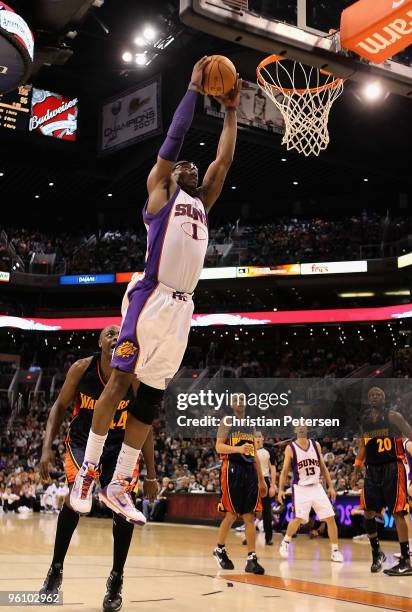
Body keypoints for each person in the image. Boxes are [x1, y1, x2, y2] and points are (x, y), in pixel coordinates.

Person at [70, 57, 241, 524]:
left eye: (191, 165)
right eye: (182, 164)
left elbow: (223, 159)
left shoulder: (202, 201)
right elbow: (172, 143)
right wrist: (191, 89)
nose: (188, 165)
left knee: (149, 396)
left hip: (183, 308)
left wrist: (230, 108)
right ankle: (88, 471)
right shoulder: (159, 195)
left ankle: (119, 485)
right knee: (122, 379)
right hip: (150, 297)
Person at [39, 325, 158, 612]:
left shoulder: (133, 378)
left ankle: (116, 579)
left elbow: (144, 425)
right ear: (99, 342)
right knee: (75, 498)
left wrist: (152, 474)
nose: (116, 337)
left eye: (120, 334)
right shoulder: (82, 368)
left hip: (120, 447)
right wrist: (45, 448)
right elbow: (59, 406)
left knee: (123, 511)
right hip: (84, 442)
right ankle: (55, 569)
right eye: (109, 333)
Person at [351, 386, 412, 576]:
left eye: (379, 394)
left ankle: (405, 561)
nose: (375, 397)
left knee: (398, 512)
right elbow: (363, 445)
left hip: (392, 467)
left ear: (385, 398)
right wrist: (356, 469)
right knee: (368, 511)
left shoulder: (394, 416)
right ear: (368, 399)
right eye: (371, 394)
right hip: (372, 470)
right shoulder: (365, 421)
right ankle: (376, 552)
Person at [213, 396, 267, 574]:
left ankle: (251, 558)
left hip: (249, 471)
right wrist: (237, 449)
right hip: (232, 469)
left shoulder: (250, 425)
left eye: (242, 399)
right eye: (236, 400)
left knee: (249, 516)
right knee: (231, 514)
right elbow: (219, 447)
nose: (240, 402)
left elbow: (254, 454)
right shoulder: (227, 421)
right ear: (231, 404)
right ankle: (219, 549)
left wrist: (261, 479)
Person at [278, 426, 344, 563]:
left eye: (304, 425)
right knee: (298, 518)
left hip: (316, 486)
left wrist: (331, 486)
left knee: (330, 518)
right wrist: (280, 489)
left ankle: (335, 551)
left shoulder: (316, 445)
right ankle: (285, 542)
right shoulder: (291, 448)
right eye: (299, 426)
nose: (301, 428)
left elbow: (323, 467)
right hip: (301, 487)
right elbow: (284, 471)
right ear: (295, 430)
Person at [393, 437, 412, 561]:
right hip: (407, 483)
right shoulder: (398, 445)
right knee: (405, 514)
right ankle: (411, 548)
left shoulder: (409, 443)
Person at [254, 431, 276, 545]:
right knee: (249, 511)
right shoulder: (249, 451)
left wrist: (272, 485)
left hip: (265, 481)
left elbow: (273, 469)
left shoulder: (269, 451)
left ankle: (269, 538)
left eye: (259, 436)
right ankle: (249, 536)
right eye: (255, 437)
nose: (257, 438)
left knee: (267, 511)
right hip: (252, 482)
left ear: (263, 438)